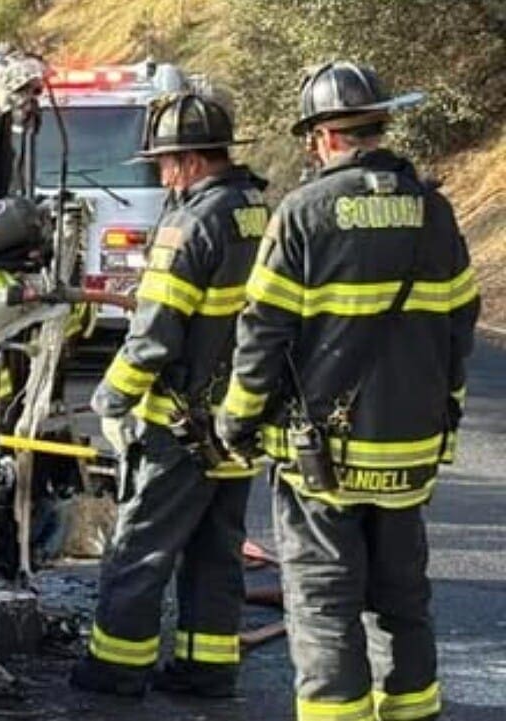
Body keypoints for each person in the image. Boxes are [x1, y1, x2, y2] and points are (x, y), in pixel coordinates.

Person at [217, 61, 480, 721]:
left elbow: (263, 332)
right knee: (402, 602)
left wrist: (237, 420)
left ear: (326, 137)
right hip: (410, 450)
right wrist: (442, 413)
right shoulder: (434, 210)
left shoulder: (305, 213)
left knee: (325, 606)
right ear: (378, 124)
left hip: (324, 463)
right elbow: (460, 326)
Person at [72, 93, 269, 698]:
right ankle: (207, 669)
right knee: (216, 549)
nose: (161, 174)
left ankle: (117, 668)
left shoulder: (189, 222)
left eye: (162, 163)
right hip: (239, 421)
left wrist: (109, 399)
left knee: (140, 547)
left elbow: (156, 332)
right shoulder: (259, 210)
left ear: (187, 161)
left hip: (179, 425)